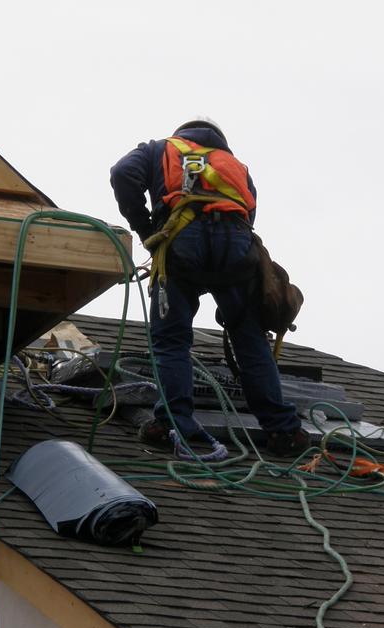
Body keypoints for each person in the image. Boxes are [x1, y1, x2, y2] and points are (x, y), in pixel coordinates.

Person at [110, 118, 308, 456]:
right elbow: (247, 214)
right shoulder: (235, 166)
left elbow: (121, 173)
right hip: (236, 247)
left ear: (182, 134)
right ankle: (282, 430)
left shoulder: (158, 150)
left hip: (181, 242)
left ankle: (174, 422)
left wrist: (144, 229)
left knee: (171, 340)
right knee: (249, 339)